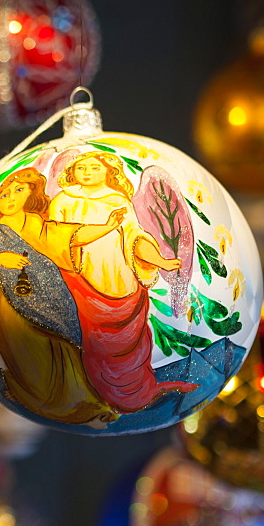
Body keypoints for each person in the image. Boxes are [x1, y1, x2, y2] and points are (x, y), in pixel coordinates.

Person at [0, 167, 127, 428]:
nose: (10, 198)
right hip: (12, 309)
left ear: (30, 196)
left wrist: (107, 227)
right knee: (30, 359)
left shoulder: (37, 224)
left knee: (63, 352)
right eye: (4, 194)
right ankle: (42, 404)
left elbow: (70, 236)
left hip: (54, 297)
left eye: (18, 191)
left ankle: (82, 406)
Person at [48, 151, 197, 414]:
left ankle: (135, 394)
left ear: (109, 171)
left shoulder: (118, 201)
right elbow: (54, 239)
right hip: (80, 284)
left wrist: (160, 260)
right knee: (91, 342)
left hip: (120, 282)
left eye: (95, 166)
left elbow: (134, 238)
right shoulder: (62, 200)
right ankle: (94, 397)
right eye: (82, 167)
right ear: (72, 171)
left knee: (129, 344)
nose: (88, 171)